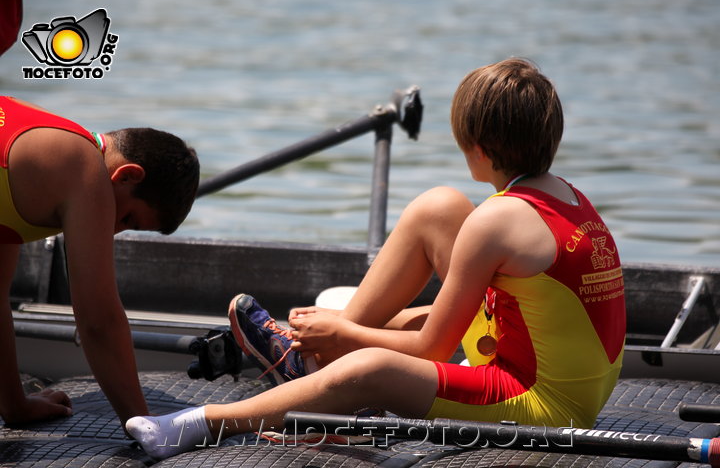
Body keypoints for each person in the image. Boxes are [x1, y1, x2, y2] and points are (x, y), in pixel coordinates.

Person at [126, 58, 626, 460]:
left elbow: (433, 349)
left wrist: (345, 331)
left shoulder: (495, 221)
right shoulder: (567, 195)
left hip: (543, 405)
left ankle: (199, 424)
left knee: (369, 367)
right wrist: (349, 325)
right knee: (439, 208)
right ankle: (309, 360)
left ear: (480, 146)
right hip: (571, 378)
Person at [0, 96, 200, 426]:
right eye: (128, 219)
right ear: (126, 176)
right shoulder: (82, 164)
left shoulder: (36, 153)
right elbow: (98, 322)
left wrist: (14, 406)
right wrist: (147, 427)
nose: (113, 232)